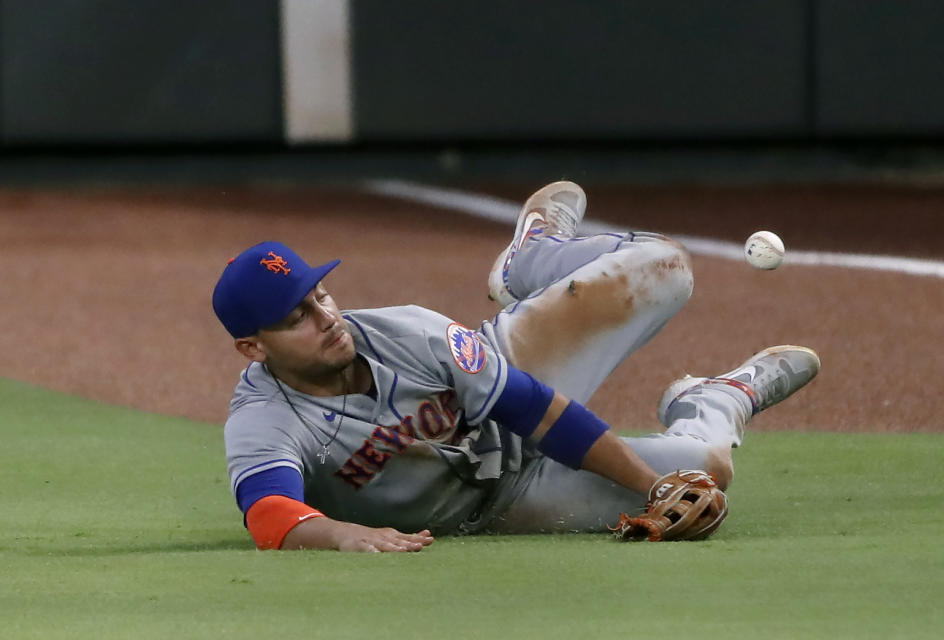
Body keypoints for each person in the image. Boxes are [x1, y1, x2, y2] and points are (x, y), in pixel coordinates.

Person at [211, 181, 820, 552]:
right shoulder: (264, 418)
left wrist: (648, 487)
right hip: (506, 502)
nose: (325, 318)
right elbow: (269, 513)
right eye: (296, 317)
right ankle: (716, 400)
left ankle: (532, 256)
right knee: (710, 471)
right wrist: (343, 534)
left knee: (664, 267)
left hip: (509, 388)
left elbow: (530, 406)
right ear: (253, 348)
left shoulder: (405, 330)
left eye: (320, 295)